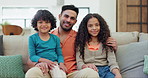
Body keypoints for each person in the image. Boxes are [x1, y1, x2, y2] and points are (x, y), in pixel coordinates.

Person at [26, 5, 117, 78]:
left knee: (91, 73)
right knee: (32, 73)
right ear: (59, 16)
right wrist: (40, 63)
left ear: (75, 21)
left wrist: (113, 47)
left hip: (73, 73)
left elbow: (96, 44)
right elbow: (30, 60)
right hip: (48, 72)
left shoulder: (80, 38)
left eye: (72, 18)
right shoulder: (48, 36)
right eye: (66, 16)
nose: (68, 20)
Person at [75, 13, 122, 78]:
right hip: (89, 71)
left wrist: (117, 74)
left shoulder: (107, 41)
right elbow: (79, 62)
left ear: (101, 26)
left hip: (106, 71)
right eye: (90, 26)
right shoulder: (81, 43)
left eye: (97, 25)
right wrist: (85, 66)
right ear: (85, 28)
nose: (94, 28)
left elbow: (112, 62)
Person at [26, 10, 67, 78]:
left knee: (61, 74)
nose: (44, 25)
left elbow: (59, 55)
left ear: (51, 24)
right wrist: (44, 61)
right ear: (36, 24)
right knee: (32, 73)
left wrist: (61, 63)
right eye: (40, 22)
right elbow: (32, 56)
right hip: (41, 64)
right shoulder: (32, 38)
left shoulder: (55, 38)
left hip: (53, 64)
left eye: (47, 22)